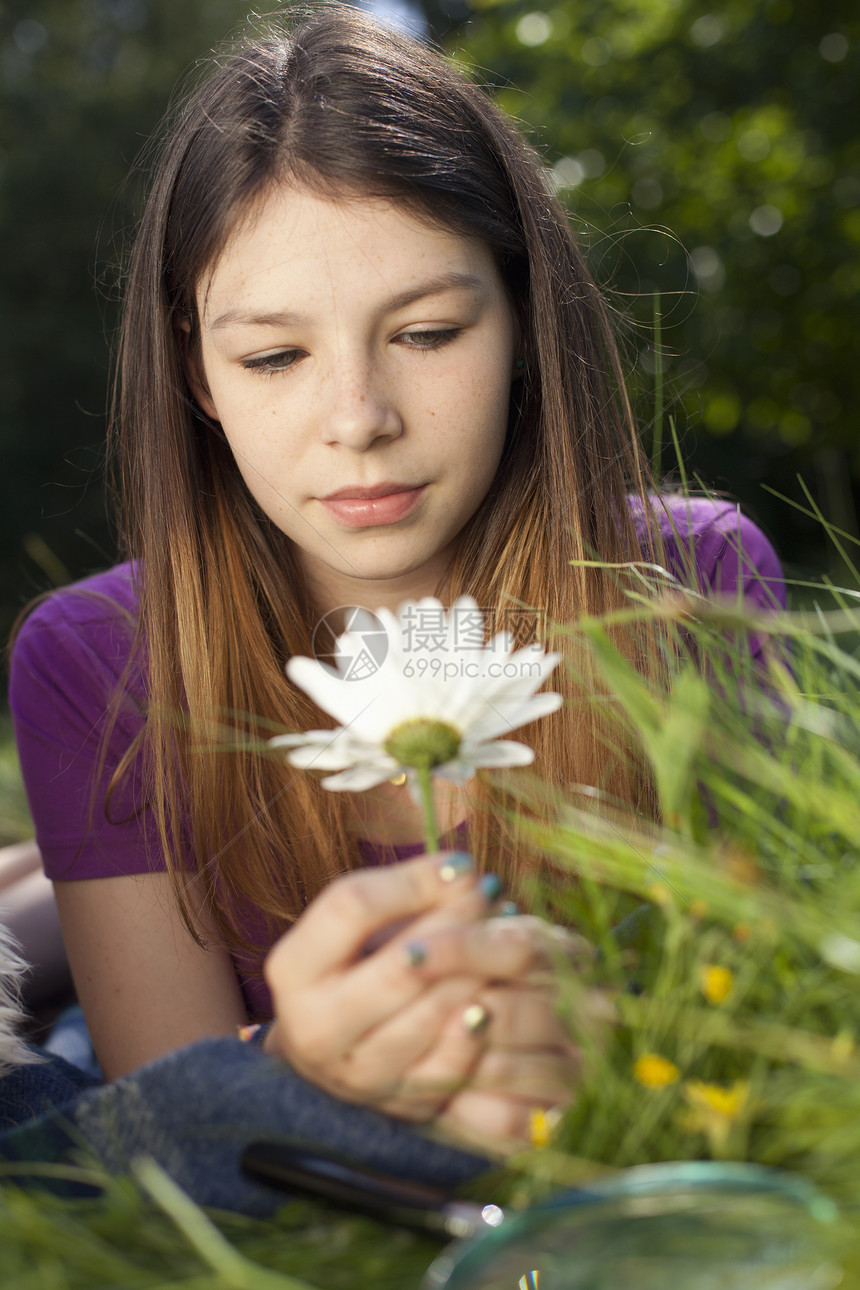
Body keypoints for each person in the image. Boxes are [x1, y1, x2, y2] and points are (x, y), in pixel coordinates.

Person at [7, 4, 783, 1176]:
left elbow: (759, 1025)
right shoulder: (96, 657)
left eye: (424, 333)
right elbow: (174, 1120)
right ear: (195, 372)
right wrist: (299, 1070)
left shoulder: (691, 580)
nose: (358, 421)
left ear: (521, 321)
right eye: (273, 357)